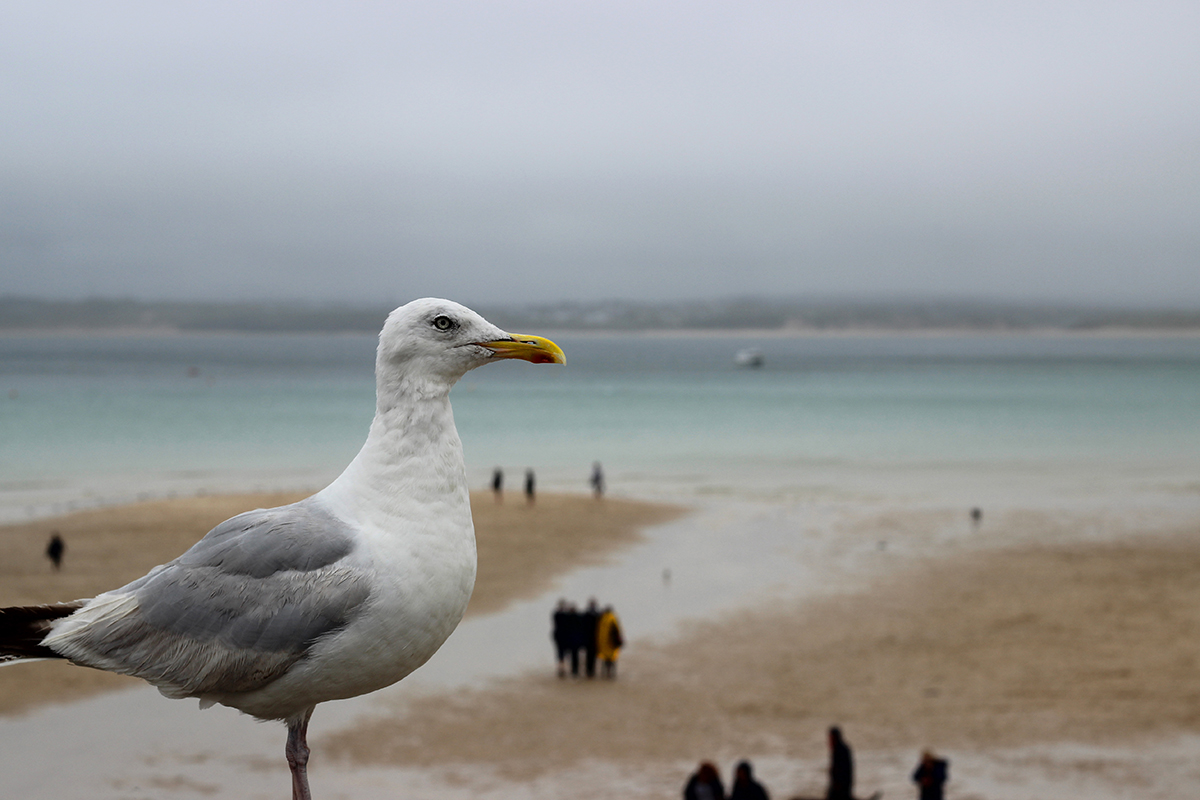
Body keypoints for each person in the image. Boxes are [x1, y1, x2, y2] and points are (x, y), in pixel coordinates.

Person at [596, 604, 624, 678]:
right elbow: (617, 631)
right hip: (611, 643)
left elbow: (599, 632)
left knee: (605, 659)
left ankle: (605, 673)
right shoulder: (613, 618)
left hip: (604, 643)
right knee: (612, 659)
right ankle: (610, 673)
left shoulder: (602, 618)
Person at [826, 726, 853, 800]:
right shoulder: (841, 749)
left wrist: (838, 786)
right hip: (841, 786)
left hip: (840, 787)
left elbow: (841, 770)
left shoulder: (839, 750)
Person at [551, 598, 573, 678]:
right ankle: (563, 669)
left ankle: (561, 669)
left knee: (560, 653)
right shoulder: (563, 614)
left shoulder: (556, 614)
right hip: (564, 636)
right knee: (564, 652)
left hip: (558, 635)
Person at [582, 597, 601, 678]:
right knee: (592, 656)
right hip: (593, 638)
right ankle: (591, 672)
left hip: (589, 638)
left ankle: (589, 672)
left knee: (590, 656)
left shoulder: (586, 614)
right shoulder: (598, 615)